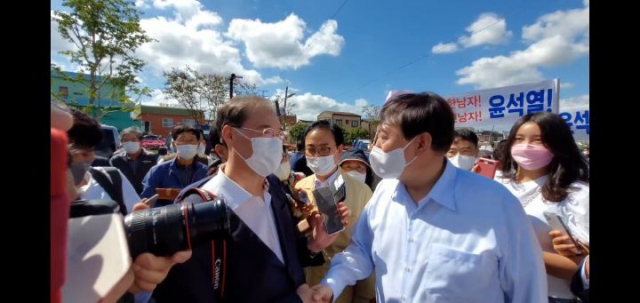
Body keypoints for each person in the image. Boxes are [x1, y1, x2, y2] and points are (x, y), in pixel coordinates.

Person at [312, 92, 546, 303]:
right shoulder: (384, 193)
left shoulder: (496, 205)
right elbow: (361, 251)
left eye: (383, 137)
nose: (376, 147)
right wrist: (331, 285)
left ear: (421, 143)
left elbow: (528, 291)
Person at [151, 96, 350, 303]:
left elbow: (281, 261)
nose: (276, 142)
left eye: (279, 134)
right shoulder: (196, 211)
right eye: (267, 132)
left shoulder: (273, 187)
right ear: (230, 134)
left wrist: (313, 245)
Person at [495, 112, 589, 302]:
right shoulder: (494, 183)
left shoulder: (578, 194)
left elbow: (578, 268)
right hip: (495, 292)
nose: (526, 146)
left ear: (558, 145)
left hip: (551, 296)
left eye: (538, 141)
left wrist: (510, 252)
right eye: (519, 139)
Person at [295, 121, 376, 303]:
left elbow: (366, 248)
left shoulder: (361, 191)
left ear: (339, 151)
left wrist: (364, 297)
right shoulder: (299, 187)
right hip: (303, 287)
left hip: (339, 290)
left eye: (325, 149)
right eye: (311, 149)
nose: (317, 155)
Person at [140, 125, 209, 206]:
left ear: (198, 144)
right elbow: (147, 202)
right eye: (182, 140)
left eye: (191, 140)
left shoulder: (206, 173)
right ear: (174, 144)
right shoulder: (157, 172)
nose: (187, 144)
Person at [110, 126, 159, 194]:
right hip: (125, 197)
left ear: (140, 141)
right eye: (126, 140)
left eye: (133, 140)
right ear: (122, 142)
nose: (129, 142)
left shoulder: (153, 158)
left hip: (147, 197)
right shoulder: (116, 160)